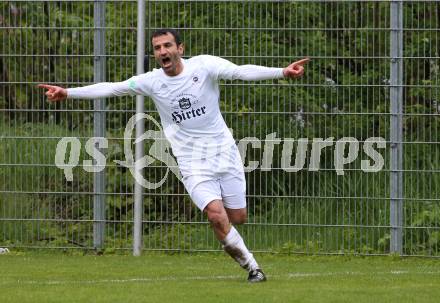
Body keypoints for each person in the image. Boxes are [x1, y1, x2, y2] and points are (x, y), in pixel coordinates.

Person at [39, 29, 309, 283]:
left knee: (237, 217)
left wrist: (282, 71)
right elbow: (114, 87)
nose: (162, 51)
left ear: (180, 48)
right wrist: (68, 93)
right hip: (192, 162)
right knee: (216, 216)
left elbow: (240, 72)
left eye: (167, 45)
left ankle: (229, 230)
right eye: (157, 48)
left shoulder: (203, 66)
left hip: (224, 154)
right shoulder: (152, 81)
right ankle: (253, 268)